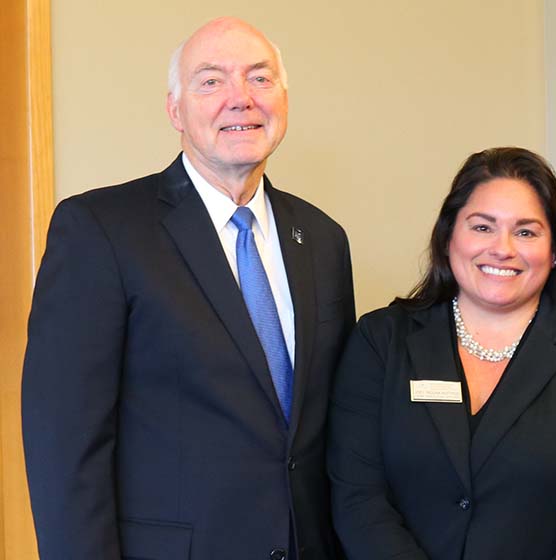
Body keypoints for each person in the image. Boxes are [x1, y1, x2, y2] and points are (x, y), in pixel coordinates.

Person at [22, 17, 354, 559]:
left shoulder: (322, 240)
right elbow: (64, 446)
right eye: (211, 80)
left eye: (260, 78)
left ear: (284, 100)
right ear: (175, 109)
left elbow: (330, 435)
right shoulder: (100, 229)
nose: (240, 99)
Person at [328, 147, 556, 559]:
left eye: (526, 232)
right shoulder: (381, 340)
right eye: (482, 227)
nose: (502, 248)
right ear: (448, 237)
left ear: (554, 251)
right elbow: (357, 497)